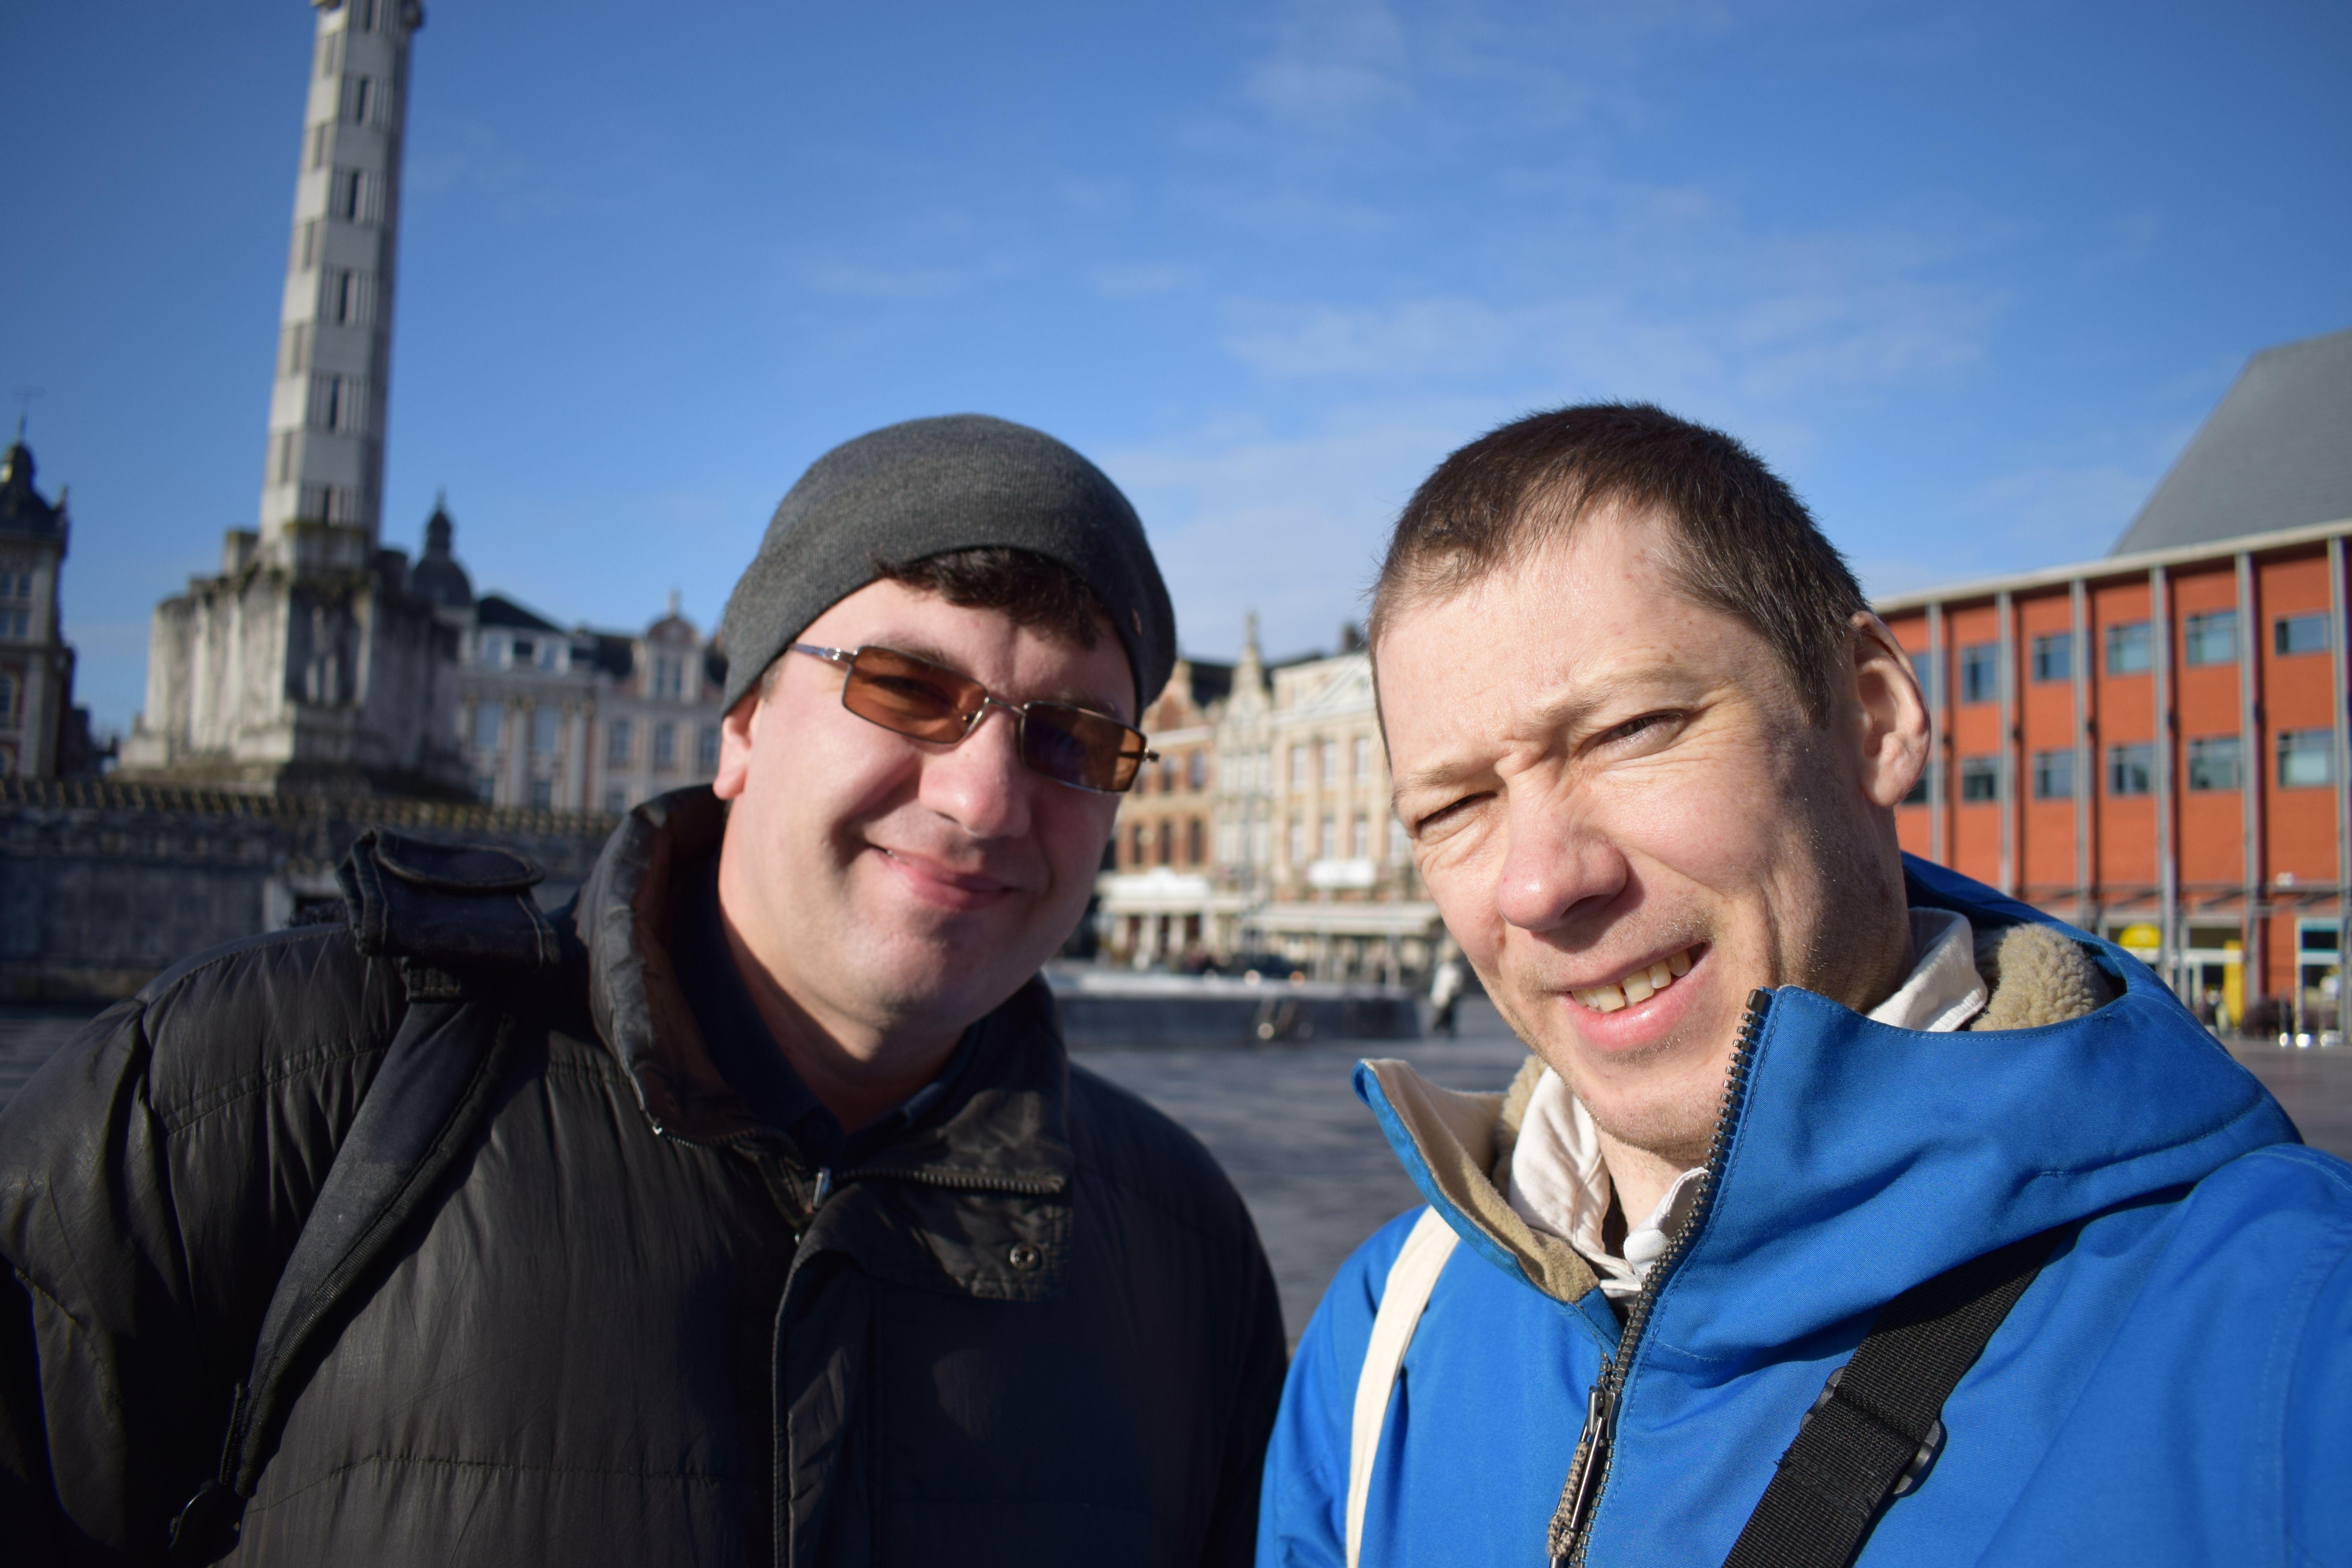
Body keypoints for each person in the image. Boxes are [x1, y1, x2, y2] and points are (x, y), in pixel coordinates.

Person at [2, 415, 1286, 1566]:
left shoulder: (1187, 1256)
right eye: (906, 688)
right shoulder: (266, 1092)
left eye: (1071, 738)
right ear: (740, 728)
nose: (984, 798)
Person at [1257, 404, 2352, 1566]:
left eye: (1632, 729)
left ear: (1874, 717)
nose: (1538, 884)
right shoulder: (1386, 1345)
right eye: (1454, 808)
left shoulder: (2296, 1338)